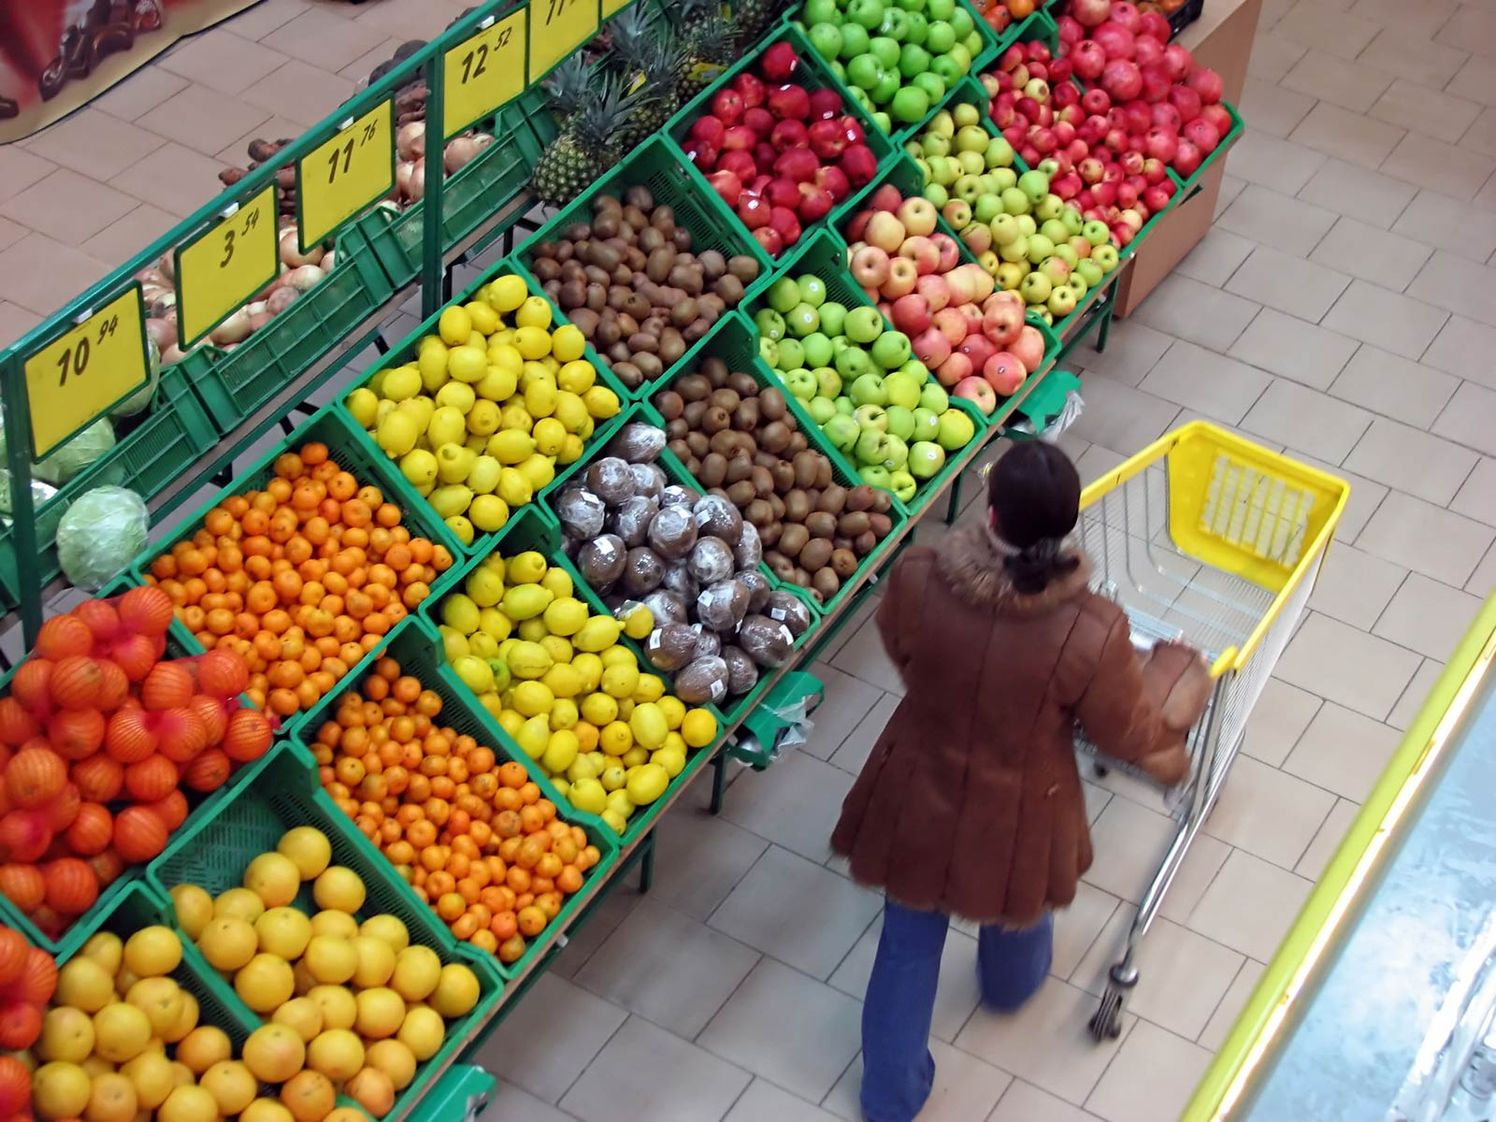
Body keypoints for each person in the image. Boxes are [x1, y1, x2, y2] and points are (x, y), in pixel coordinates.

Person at [830, 441, 1211, 1122]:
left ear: (992, 510)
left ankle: (891, 1099)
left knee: (906, 945)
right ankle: (1009, 987)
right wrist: (1172, 738)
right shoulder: (1090, 630)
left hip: (916, 784)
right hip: (1023, 804)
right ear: (1065, 527)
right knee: (1020, 898)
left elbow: (903, 648)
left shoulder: (919, 577)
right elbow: (1123, 730)